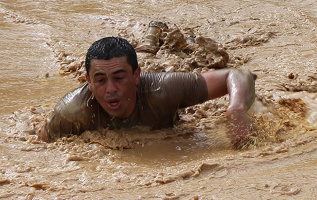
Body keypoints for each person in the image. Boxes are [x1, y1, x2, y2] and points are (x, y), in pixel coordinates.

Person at [37, 37, 256, 146]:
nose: (110, 89)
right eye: (100, 80)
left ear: (136, 76)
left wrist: (236, 109)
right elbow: (40, 144)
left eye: (120, 78)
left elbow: (239, 75)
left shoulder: (164, 89)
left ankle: (154, 36)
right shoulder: (72, 112)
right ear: (89, 82)